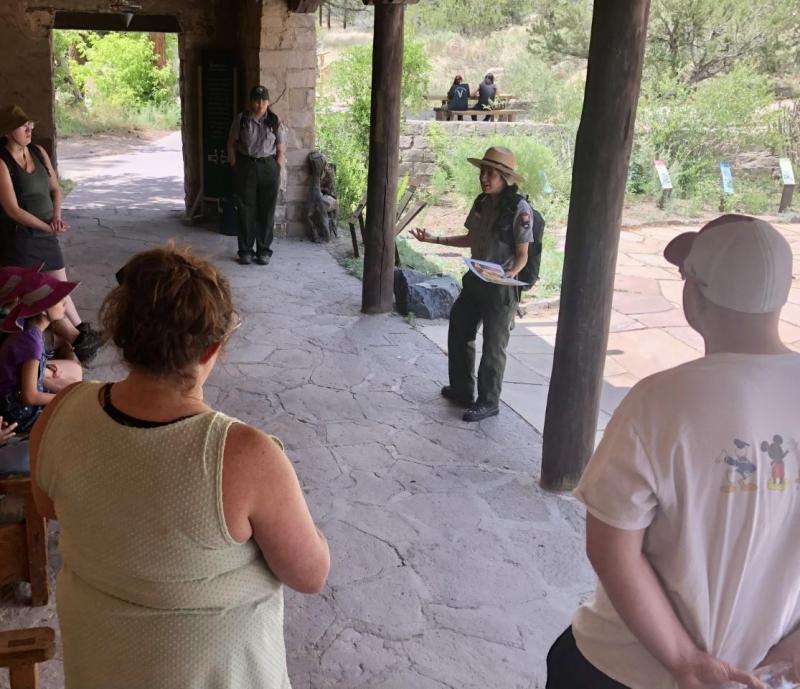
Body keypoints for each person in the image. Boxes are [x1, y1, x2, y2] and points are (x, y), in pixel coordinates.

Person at [29, 245, 330, 689]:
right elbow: (310, 574)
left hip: (101, 664)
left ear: (122, 335)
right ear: (212, 349)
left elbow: (49, 506)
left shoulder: (61, 413)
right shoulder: (244, 454)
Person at [546, 214, 800, 689]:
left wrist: (685, 660)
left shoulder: (660, 402)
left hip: (626, 668)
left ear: (696, 295)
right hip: (759, 674)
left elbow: (611, 549)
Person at [411, 146, 533, 422]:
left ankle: (488, 401)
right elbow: (471, 237)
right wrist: (435, 239)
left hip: (501, 288)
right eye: (482, 171)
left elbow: (523, 255)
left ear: (505, 177)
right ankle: (462, 389)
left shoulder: (519, 209)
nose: (484, 177)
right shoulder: (481, 202)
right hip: (476, 280)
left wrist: (509, 274)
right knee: (460, 327)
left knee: (494, 345)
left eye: (491, 173)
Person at [0, 104, 101, 363]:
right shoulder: (2, 162)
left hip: (46, 232)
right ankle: (78, 339)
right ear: (9, 131)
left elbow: (56, 188)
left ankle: (80, 339)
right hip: (20, 238)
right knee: (38, 295)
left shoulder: (38, 152)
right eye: (24, 126)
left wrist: (56, 217)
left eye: (31, 124)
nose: (30, 128)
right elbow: (12, 209)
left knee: (60, 288)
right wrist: (45, 226)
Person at [0, 270, 82, 434]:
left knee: (76, 389)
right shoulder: (31, 342)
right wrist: (62, 400)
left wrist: (43, 367)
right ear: (44, 310)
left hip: (13, 397)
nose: (65, 305)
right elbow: (29, 397)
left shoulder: (30, 333)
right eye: (59, 301)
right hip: (16, 410)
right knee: (75, 414)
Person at [227, 85, 288, 266]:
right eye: (256, 99)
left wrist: (277, 168)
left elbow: (281, 149)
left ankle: (263, 250)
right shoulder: (242, 119)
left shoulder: (275, 122)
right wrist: (235, 165)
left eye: (263, 100)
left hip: (268, 167)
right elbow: (231, 144)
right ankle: (245, 251)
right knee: (245, 210)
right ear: (251, 101)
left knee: (266, 210)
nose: (260, 103)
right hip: (246, 166)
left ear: (268, 103)